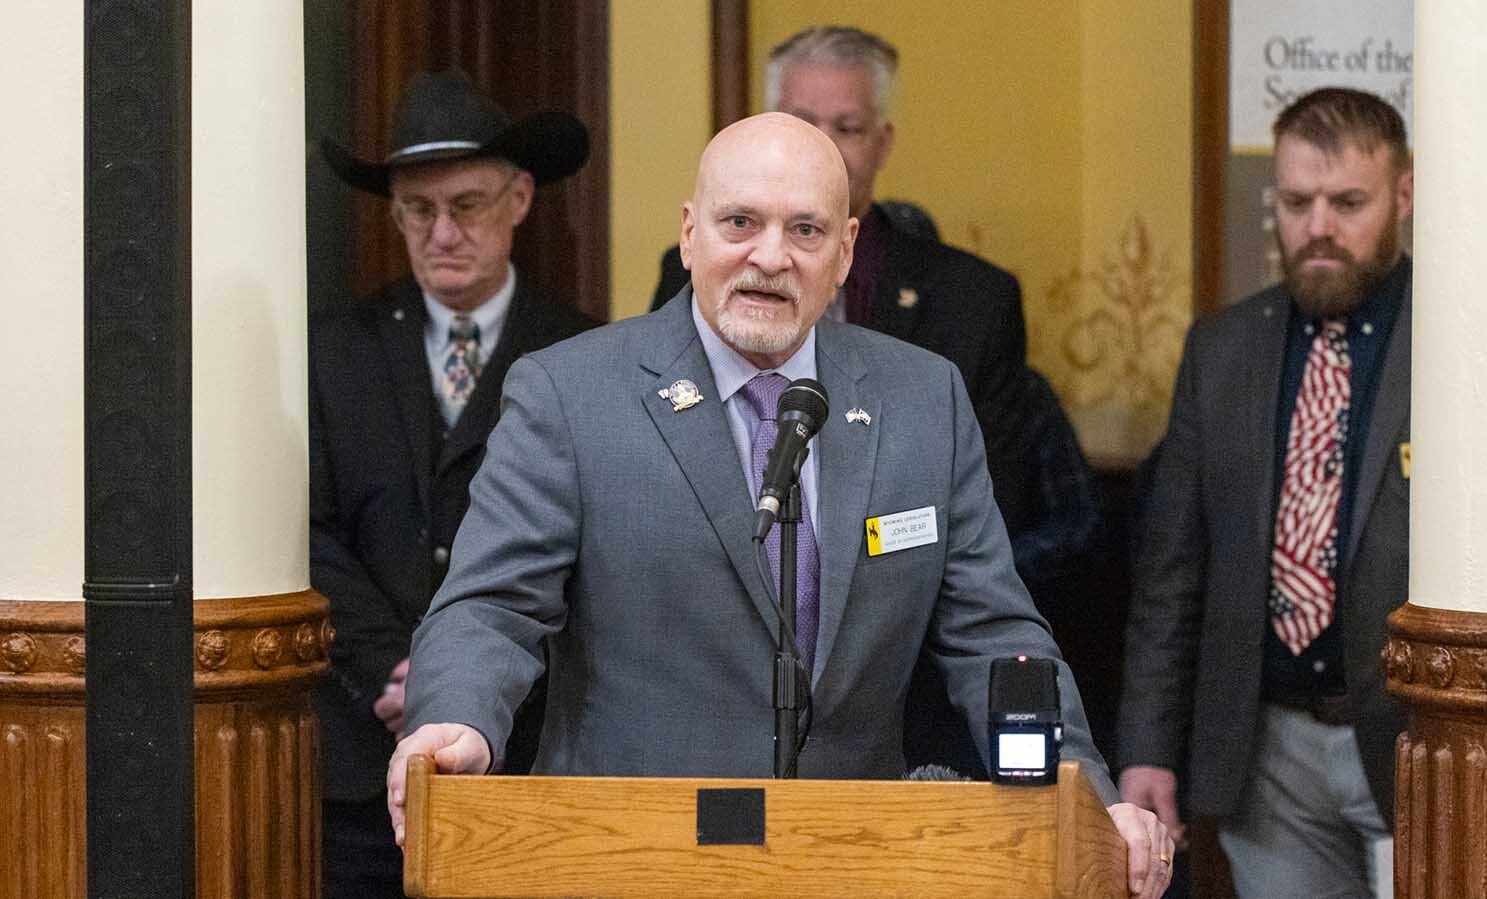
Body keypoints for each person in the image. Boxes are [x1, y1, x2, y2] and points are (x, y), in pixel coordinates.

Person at [387, 112, 1174, 899]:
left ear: (845, 251)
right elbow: (491, 604)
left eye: (805, 229)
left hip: (855, 862)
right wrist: (456, 717)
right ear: (690, 234)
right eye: (740, 223)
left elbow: (994, 634)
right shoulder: (571, 392)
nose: (770, 255)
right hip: (629, 859)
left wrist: (1091, 799)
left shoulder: (923, 398)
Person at [650, 24, 1080, 778]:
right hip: (687, 757)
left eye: (844, 127)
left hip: (893, 723)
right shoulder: (642, 331)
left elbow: (981, 575)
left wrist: (1082, 784)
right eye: (803, 121)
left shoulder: (963, 316)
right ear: (693, 237)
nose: (770, 258)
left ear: (881, 141)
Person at [1117, 87, 1414, 898]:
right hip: (1269, 750)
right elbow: (1173, 568)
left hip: (1416, 742)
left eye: (1348, 202)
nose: (1318, 226)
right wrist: (1148, 743)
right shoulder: (1223, 347)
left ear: (1404, 195)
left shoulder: (1451, 338)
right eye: (1296, 201)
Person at [310, 69, 596, 899]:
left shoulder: (581, 353)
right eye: (416, 211)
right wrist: (397, 673)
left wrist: (467, 688)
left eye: (466, 206)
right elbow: (310, 532)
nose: (441, 232)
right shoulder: (338, 349)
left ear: (519, 200)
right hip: (363, 758)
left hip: (526, 743)